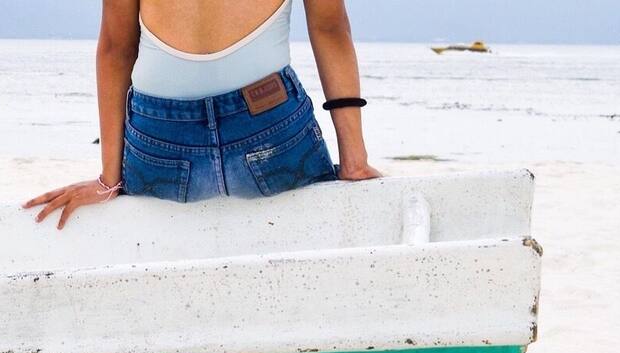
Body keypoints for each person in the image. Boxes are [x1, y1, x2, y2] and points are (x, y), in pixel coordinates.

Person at [25, 0, 381, 229]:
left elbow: (116, 49)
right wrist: (354, 160)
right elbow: (330, 29)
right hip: (269, 128)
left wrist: (109, 179)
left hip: (162, 139)